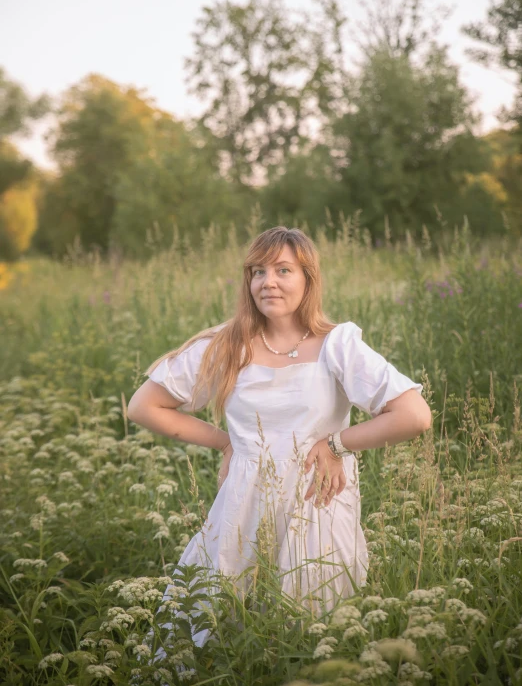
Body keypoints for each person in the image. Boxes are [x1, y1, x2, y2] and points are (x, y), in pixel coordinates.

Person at [128, 226, 431, 655]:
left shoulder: (337, 345)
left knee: (313, 635)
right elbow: (143, 407)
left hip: (317, 504)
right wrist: (225, 444)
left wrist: (337, 444)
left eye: (283, 270)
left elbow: (415, 415)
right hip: (242, 505)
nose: (267, 281)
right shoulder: (228, 345)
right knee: (219, 633)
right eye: (258, 271)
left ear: (308, 279)